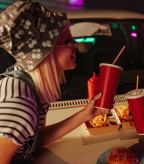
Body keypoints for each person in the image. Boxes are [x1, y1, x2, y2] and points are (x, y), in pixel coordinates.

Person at [0, 1, 104, 163]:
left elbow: (33, 139)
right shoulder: (21, 106)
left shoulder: (30, 85)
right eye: (68, 40)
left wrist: (85, 115)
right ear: (46, 52)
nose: (75, 45)